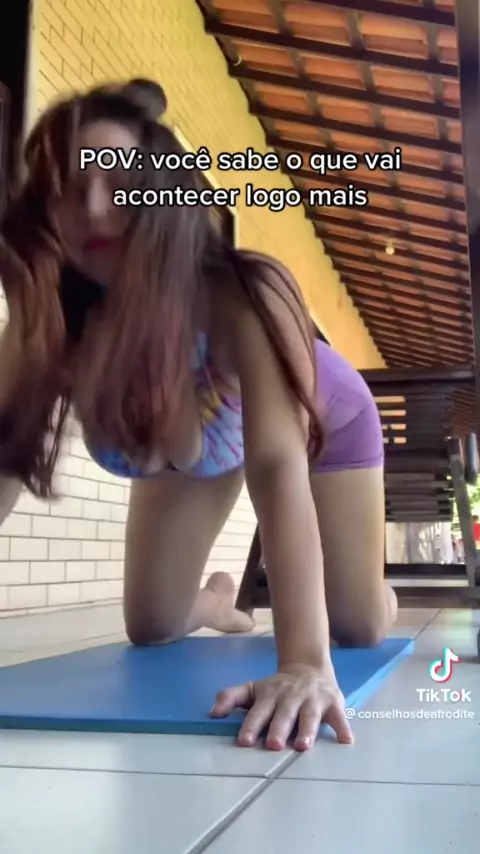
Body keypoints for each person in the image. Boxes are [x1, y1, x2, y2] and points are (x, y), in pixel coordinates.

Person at [0, 78, 397, 752]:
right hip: (207, 442)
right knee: (152, 626)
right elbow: (5, 460)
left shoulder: (244, 292)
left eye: (119, 183)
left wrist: (304, 662)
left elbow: (277, 465)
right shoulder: (49, 320)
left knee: (356, 626)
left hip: (323, 423)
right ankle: (216, 601)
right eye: (68, 188)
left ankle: (375, 588)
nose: (93, 208)